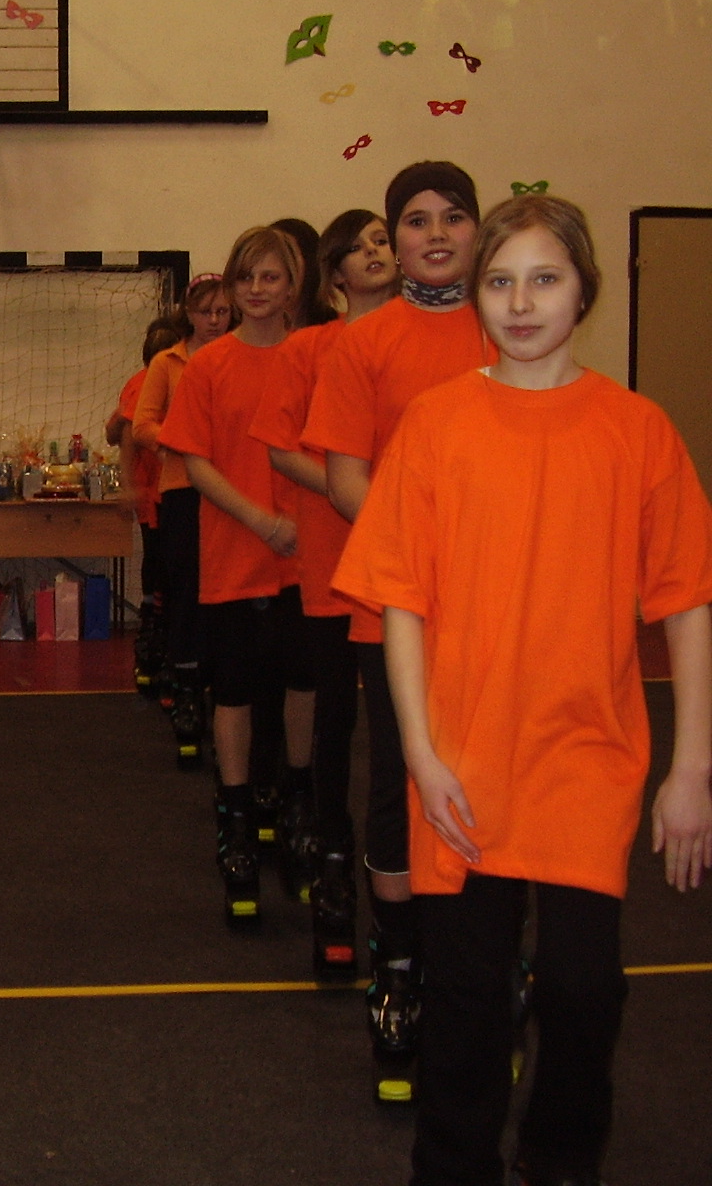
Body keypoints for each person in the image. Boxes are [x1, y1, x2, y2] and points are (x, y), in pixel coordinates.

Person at [334, 192, 712, 1186]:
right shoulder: (436, 423)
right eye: (500, 280)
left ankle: (560, 1161)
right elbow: (401, 604)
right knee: (464, 1002)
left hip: (587, 758)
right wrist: (420, 756)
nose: (520, 301)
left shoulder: (636, 431)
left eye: (544, 278)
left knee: (584, 993)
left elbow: (686, 601)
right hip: (463, 762)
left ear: (584, 290)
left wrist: (691, 771)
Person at [302, 161, 490, 1101]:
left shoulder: (509, 327)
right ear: (392, 236)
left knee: (494, 780)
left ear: (478, 229)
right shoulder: (363, 343)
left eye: (454, 216)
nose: (436, 234)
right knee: (400, 790)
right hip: (396, 613)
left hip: (499, 614)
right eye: (416, 220)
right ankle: (402, 971)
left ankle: (486, 970)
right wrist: (431, 563)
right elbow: (346, 479)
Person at [249, 208, 399, 967]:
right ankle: (335, 867)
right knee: (337, 719)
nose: (375, 252)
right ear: (334, 272)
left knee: (409, 736)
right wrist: (358, 494)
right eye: (359, 245)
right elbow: (281, 450)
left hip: (419, 569)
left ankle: (415, 882)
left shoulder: (431, 339)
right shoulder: (310, 348)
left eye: (384, 239)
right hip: (338, 565)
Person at [160, 227, 304, 924]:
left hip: (308, 560)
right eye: (246, 277)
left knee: (301, 686)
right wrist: (261, 520)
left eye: (270, 277)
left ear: (293, 285)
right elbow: (196, 463)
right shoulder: (209, 366)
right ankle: (238, 824)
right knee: (238, 691)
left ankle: (296, 809)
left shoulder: (317, 357)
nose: (256, 289)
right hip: (237, 554)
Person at [131, 274, 233, 761]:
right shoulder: (167, 362)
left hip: (233, 493)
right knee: (187, 592)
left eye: (222, 312)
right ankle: (187, 690)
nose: (214, 320)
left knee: (228, 594)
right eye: (205, 312)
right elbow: (142, 425)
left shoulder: (239, 355)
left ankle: (227, 688)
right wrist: (183, 441)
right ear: (187, 315)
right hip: (183, 491)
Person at [106, 315, 184, 697]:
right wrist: (130, 486)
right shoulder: (147, 383)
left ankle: (160, 641)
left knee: (163, 570)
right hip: (157, 495)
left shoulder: (142, 382)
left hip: (166, 492)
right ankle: (157, 644)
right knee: (161, 569)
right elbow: (124, 435)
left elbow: (114, 430)